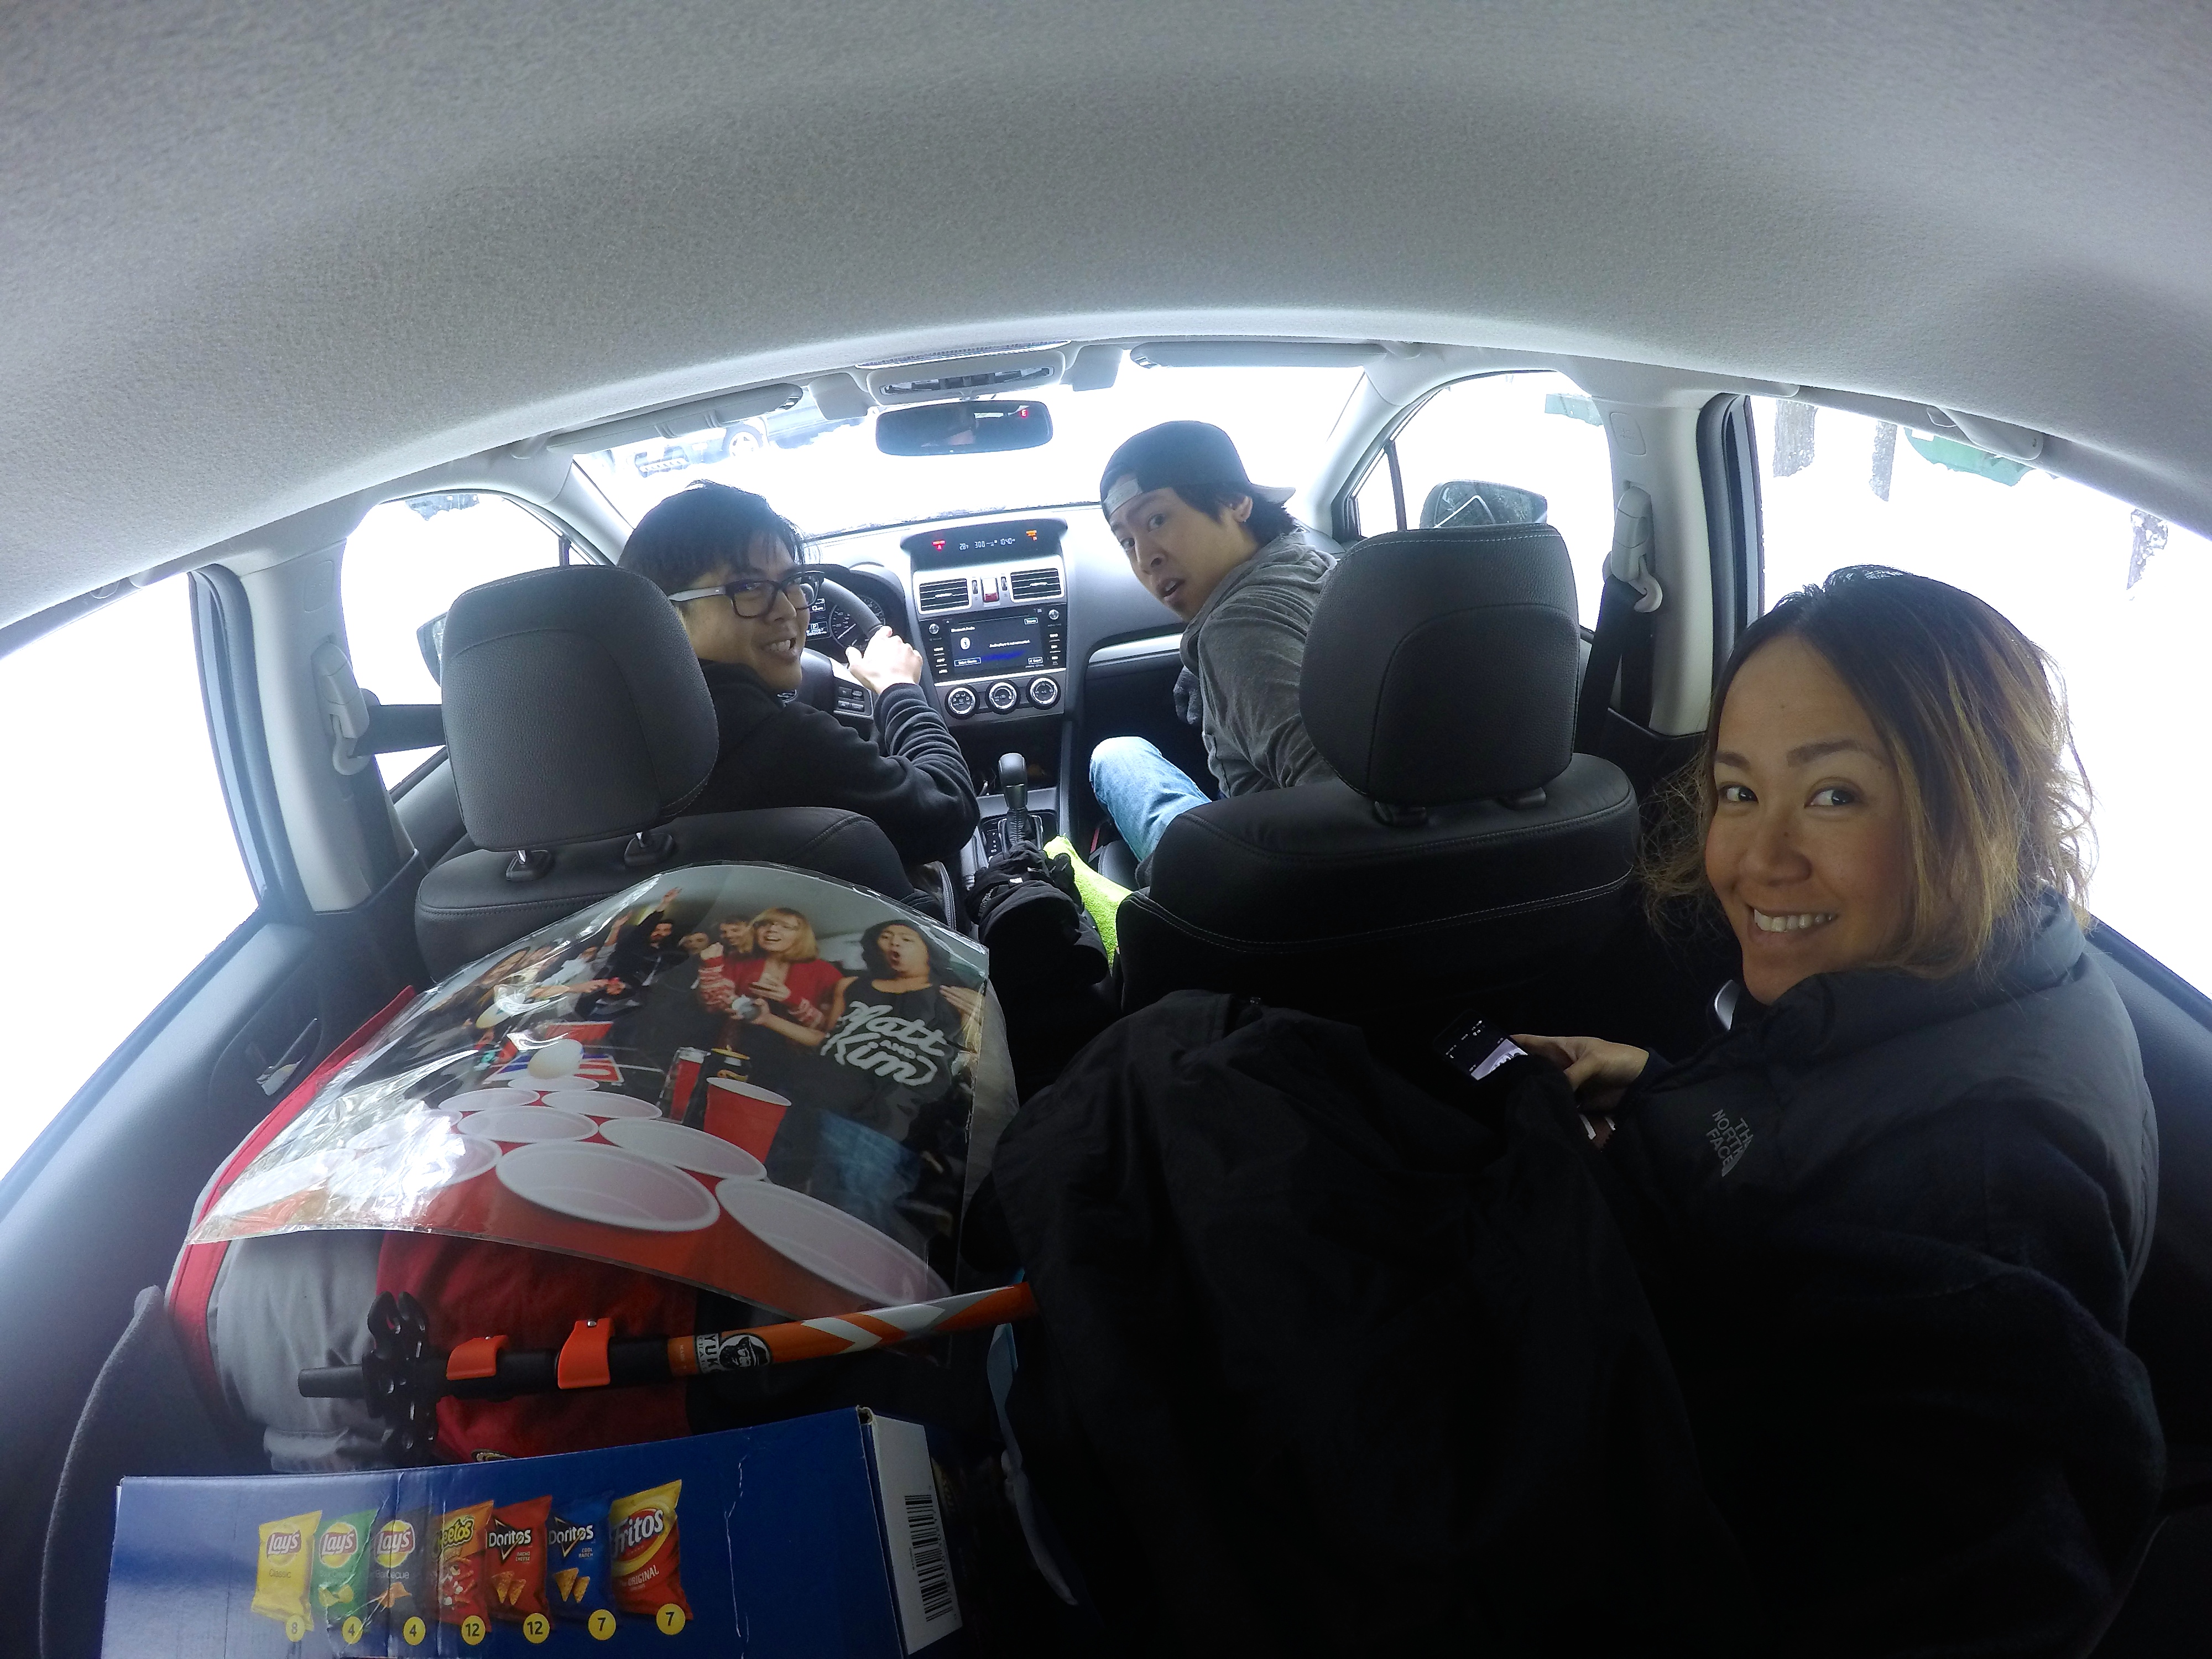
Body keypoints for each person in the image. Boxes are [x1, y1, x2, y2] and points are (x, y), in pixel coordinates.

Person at [1518, 566, 2162, 1653]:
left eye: (1833, 796)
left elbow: (1963, 1594)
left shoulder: (1985, 1189)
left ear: (1974, 806)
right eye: (1737, 793)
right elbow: (1819, 1129)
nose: (1756, 860)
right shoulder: (1966, 972)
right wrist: (1659, 1085)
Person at [618, 481, 979, 867]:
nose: (788, 610)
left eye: (793, 583)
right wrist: (899, 689)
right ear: (663, 613)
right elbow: (948, 808)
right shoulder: (774, 740)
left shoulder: (606, 741)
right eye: (749, 587)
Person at [1087, 420, 1338, 865]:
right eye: (1126, 541)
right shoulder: (1317, 566)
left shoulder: (1236, 631)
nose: (1145, 558)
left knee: (1113, 756)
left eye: (1157, 519)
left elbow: (1341, 811)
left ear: (1236, 502)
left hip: (1258, 875)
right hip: (1270, 830)